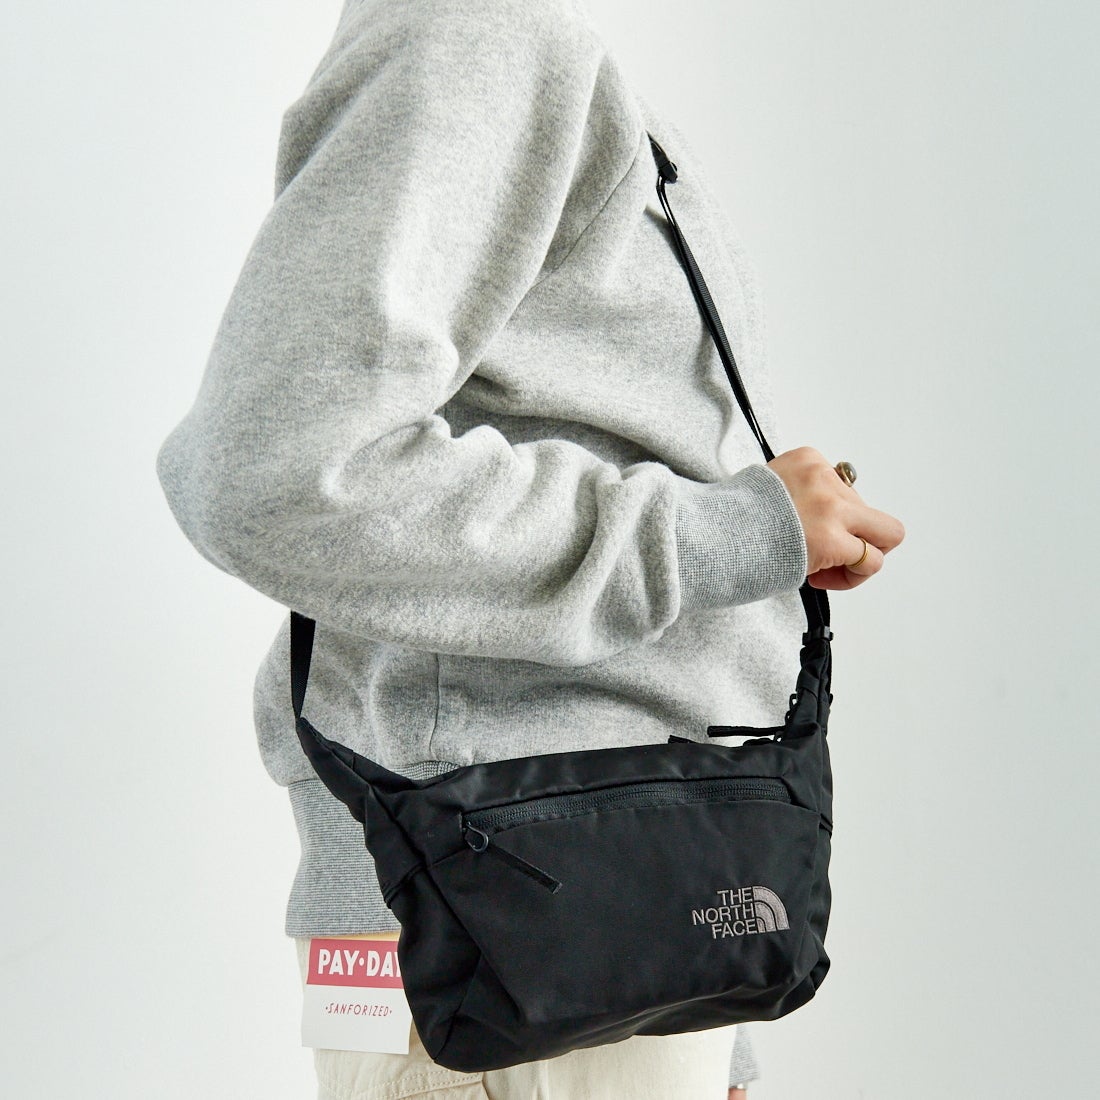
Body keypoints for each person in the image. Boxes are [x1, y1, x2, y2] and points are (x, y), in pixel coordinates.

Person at [155, 0, 905, 1096]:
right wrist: (734, 532)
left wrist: (705, 995)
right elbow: (271, 471)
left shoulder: (526, 50)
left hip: (609, 929)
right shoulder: (477, 34)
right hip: (491, 923)